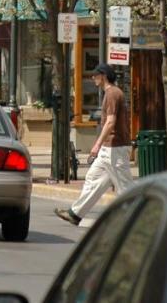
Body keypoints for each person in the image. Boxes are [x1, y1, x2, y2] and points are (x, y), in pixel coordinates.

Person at [56, 64, 134, 225]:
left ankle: (140, 218)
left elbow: (111, 122)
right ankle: (75, 214)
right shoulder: (111, 93)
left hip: (116, 148)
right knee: (93, 179)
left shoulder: (112, 93)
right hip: (109, 148)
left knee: (124, 188)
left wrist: (96, 144)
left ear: (103, 76)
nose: (93, 78)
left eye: (95, 75)